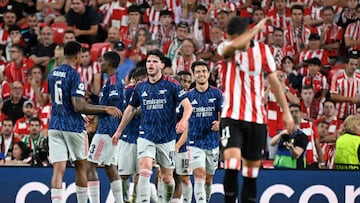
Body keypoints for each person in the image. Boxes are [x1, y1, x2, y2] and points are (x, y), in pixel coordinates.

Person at [217, 16, 294, 203]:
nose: (234, 41)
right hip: (231, 116)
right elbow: (233, 45)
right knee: (232, 164)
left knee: (250, 173)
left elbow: (275, 83)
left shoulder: (263, 51)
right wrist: (256, 29)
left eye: (237, 37)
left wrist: (286, 112)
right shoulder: (225, 48)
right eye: (232, 38)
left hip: (256, 118)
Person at [112, 49, 193, 203]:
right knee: (145, 167)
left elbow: (188, 106)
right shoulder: (140, 86)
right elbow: (130, 109)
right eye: (149, 61)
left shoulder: (172, 84)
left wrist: (183, 121)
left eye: (155, 61)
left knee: (167, 178)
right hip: (146, 134)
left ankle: (166, 200)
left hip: (167, 137)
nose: (151, 64)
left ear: (162, 65)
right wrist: (119, 130)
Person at [47, 41, 122, 203]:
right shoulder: (74, 75)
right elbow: (78, 105)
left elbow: (57, 101)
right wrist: (105, 109)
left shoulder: (52, 73)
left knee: (58, 170)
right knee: (82, 166)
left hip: (54, 126)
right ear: (77, 55)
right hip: (72, 127)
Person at [87, 51, 125, 203]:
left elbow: (114, 108)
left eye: (101, 61)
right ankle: (119, 200)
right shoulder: (112, 80)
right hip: (111, 130)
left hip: (106, 131)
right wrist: (95, 106)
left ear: (108, 63)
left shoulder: (114, 81)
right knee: (109, 166)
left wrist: (99, 111)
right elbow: (107, 106)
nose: (99, 63)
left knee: (90, 165)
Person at [187, 61, 222, 203]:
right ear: (194, 75)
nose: (201, 74)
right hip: (194, 142)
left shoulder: (217, 93)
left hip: (212, 142)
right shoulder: (188, 96)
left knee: (208, 179)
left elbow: (224, 113)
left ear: (208, 74)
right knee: (199, 174)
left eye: (203, 71)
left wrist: (220, 123)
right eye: (198, 72)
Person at [117, 66, 147, 203]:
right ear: (134, 80)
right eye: (139, 80)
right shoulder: (128, 91)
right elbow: (127, 111)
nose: (142, 82)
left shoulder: (150, 91)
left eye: (144, 80)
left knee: (140, 174)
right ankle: (124, 198)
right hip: (127, 137)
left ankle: (134, 199)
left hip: (144, 138)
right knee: (123, 174)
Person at [271, 104, 308, 169]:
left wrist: (291, 148)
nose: (294, 114)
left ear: (300, 114)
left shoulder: (302, 136)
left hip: (295, 171)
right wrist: (280, 134)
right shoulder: (283, 133)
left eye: (296, 111)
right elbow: (272, 143)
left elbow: (297, 155)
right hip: (278, 169)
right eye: (291, 112)